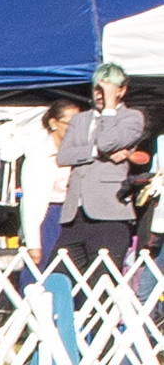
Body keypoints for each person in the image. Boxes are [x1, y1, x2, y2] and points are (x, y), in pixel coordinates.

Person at [55, 66, 145, 267]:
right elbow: (64, 156)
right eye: (97, 89)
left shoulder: (132, 118)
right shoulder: (79, 119)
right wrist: (96, 152)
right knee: (58, 275)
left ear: (121, 91)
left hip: (110, 213)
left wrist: (110, 109)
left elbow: (108, 142)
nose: (100, 95)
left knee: (102, 283)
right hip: (74, 214)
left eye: (107, 90)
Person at [23, 100, 75, 265]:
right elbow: (29, 201)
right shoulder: (38, 156)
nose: (74, 128)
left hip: (73, 217)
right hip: (48, 218)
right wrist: (33, 244)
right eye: (70, 123)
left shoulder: (80, 153)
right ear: (53, 123)